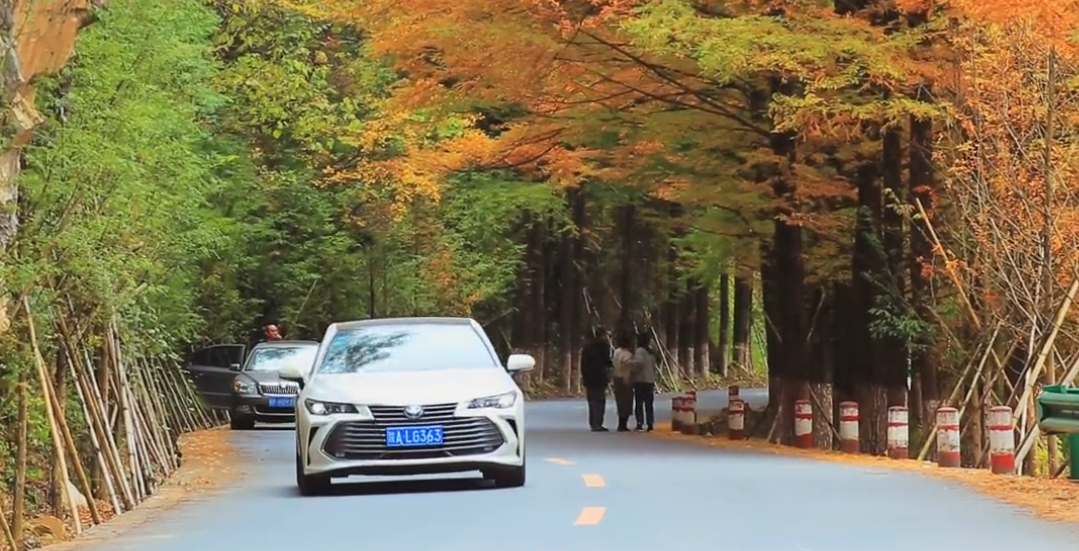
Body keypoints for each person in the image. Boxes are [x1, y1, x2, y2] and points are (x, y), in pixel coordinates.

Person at [580, 326, 613, 432]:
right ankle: (598, 423)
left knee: (592, 401)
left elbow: (583, 363)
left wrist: (584, 376)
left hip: (589, 378)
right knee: (599, 401)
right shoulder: (603, 347)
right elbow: (607, 362)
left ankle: (593, 423)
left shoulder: (587, 347)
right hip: (599, 377)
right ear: (602, 335)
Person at [611, 331, 639, 432]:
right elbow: (627, 363)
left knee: (620, 402)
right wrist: (636, 364)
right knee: (626, 402)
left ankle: (621, 423)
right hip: (625, 379)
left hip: (616, 377)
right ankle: (623, 424)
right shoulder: (627, 354)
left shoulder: (616, 352)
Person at [631, 330, 657, 432]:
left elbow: (639, 362)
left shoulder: (640, 351)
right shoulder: (651, 352)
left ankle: (640, 422)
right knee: (649, 403)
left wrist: (629, 364)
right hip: (649, 380)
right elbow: (653, 366)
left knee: (639, 402)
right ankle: (650, 423)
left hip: (640, 380)